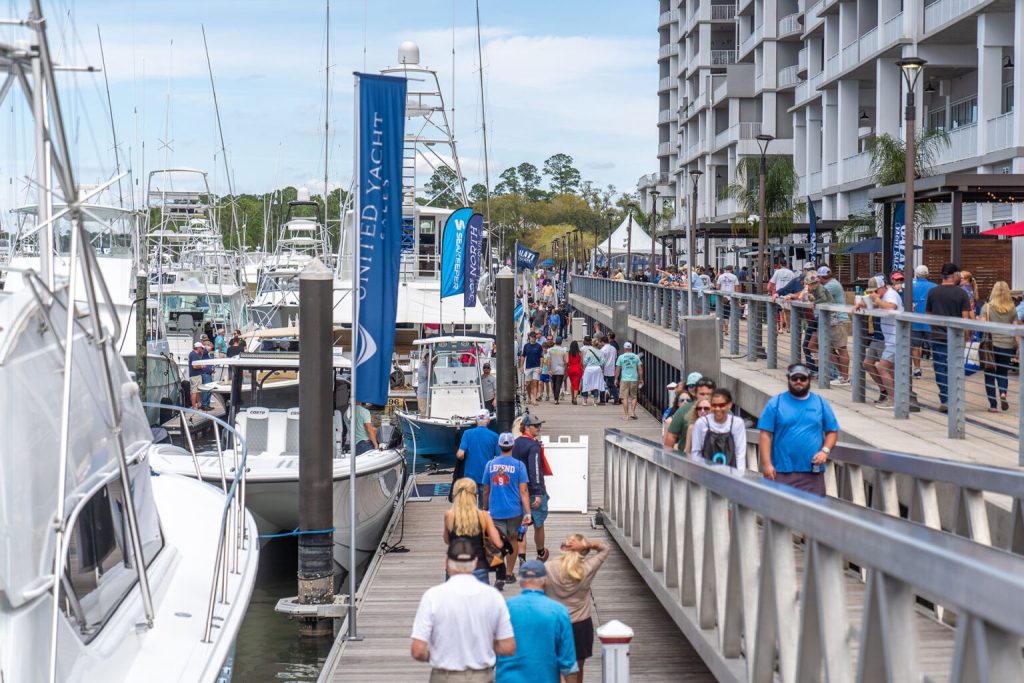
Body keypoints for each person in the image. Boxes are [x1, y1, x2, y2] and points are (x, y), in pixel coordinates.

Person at [411, 537, 516, 680]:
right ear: (475, 562)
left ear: (446, 562)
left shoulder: (432, 597)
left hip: (445, 675)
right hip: (481, 676)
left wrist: (434, 655)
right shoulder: (493, 597)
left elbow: (417, 651)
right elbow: (508, 647)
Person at [757, 363, 840, 496]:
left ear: (809, 379)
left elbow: (832, 431)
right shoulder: (775, 403)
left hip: (813, 472)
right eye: (794, 378)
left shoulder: (821, 403)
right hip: (782, 471)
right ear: (788, 379)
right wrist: (766, 464)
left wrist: (825, 451)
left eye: (803, 378)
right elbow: (765, 434)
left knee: (813, 513)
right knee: (781, 514)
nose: (798, 382)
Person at [496, 561, 577, 683]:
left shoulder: (505, 607)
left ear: (521, 581)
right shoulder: (559, 611)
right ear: (545, 580)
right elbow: (568, 663)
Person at [544, 534, 610, 682]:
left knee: (555, 668)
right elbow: (605, 548)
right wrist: (587, 545)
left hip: (554, 623)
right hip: (580, 625)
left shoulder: (547, 568)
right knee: (577, 671)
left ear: (562, 548)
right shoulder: (587, 568)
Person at [482, 433, 532, 587]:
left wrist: (485, 508)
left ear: (499, 446)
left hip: (496, 511)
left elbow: (486, 490)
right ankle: (509, 573)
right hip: (514, 511)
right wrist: (528, 512)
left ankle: (500, 574)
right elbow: (523, 491)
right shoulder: (518, 465)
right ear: (513, 445)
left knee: (496, 543)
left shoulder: (490, 465)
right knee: (513, 540)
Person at [925, 263, 972, 413]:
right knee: (956, 368)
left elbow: (929, 315)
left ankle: (945, 398)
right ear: (954, 276)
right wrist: (966, 337)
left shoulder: (932, 292)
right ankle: (955, 398)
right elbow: (965, 319)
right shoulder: (961, 294)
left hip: (938, 336)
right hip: (956, 337)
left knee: (940, 368)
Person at [854, 276, 903, 409]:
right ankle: (886, 392)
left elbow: (891, 307)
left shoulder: (891, 294)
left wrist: (876, 299)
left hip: (896, 337)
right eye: (870, 292)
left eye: (874, 291)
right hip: (888, 338)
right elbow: (877, 305)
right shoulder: (883, 296)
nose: (872, 294)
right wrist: (862, 304)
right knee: (868, 363)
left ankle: (893, 399)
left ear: (882, 287)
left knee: (883, 367)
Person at [444, 478, 505, 585]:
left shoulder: (449, 515)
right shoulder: (483, 516)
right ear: (474, 494)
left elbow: (447, 540)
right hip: (478, 565)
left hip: (454, 565)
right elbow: (498, 543)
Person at [511, 415, 551, 563]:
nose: (539, 428)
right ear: (527, 427)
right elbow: (534, 470)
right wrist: (538, 493)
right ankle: (541, 553)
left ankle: (522, 558)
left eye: (539, 425)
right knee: (538, 524)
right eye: (536, 425)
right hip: (532, 492)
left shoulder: (515, 443)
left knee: (522, 525)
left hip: (518, 491)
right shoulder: (534, 445)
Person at [980, 281, 1020, 412]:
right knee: (1002, 372)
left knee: (989, 373)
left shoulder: (987, 307)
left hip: (991, 345)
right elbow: (1015, 329)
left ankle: (993, 405)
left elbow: (982, 326)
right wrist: (1019, 346)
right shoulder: (1012, 308)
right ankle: (1003, 393)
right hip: (1008, 345)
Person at [690, 388, 746, 475]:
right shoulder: (701, 423)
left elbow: (740, 453)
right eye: (714, 405)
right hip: (706, 474)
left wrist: (739, 476)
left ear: (729, 405)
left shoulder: (737, 423)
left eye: (721, 405)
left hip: (731, 475)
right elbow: (696, 452)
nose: (717, 409)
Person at [457, 409, 502, 499]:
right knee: (484, 506)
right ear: (489, 421)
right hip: (486, 475)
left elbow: (460, 454)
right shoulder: (495, 436)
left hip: (470, 476)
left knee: (469, 505)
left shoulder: (467, 434)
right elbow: (499, 457)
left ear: (475, 421)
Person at [817, 266, 851, 385]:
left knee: (841, 348)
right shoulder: (830, 284)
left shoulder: (832, 285)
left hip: (839, 320)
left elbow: (817, 295)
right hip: (832, 321)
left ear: (821, 277)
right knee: (830, 349)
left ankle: (845, 377)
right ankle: (842, 376)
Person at [663, 376, 716, 451]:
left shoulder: (724, 413)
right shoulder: (683, 411)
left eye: (708, 394)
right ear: (696, 394)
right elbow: (671, 437)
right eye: (702, 394)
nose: (705, 397)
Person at [911, 265, 937, 378]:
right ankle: (938, 369)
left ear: (916, 274)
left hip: (914, 321)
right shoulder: (935, 287)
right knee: (934, 347)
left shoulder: (909, 286)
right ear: (927, 274)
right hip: (930, 321)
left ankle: (917, 370)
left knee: (915, 346)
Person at [614, 341, 643, 420]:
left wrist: (616, 379)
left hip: (624, 379)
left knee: (625, 397)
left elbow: (617, 369)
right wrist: (641, 379)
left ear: (624, 348)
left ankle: (626, 415)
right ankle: (633, 412)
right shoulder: (636, 357)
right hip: (634, 379)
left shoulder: (621, 357)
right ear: (631, 348)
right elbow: (640, 369)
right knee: (634, 396)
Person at [520, 331, 544, 405]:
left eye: (534, 337)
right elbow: (523, 356)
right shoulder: (526, 346)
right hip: (528, 367)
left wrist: (541, 367)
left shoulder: (539, 346)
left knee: (535, 383)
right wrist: (521, 366)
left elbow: (542, 357)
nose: (533, 338)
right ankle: (529, 397)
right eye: (532, 337)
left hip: (536, 367)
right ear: (529, 337)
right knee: (528, 384)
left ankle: (534, 399)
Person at [580, 338, 605, 406]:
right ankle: (595, 401)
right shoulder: (601, 352)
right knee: (596, 384)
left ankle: (585, 401)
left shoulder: (589, 351)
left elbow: (585, 361)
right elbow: (603, 362)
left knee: (586, 384)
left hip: (589, 369)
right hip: (597, 369)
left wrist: (585, 366)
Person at [546, 337, 568, 404]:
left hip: (552, 369)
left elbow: (548, 361)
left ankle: (555, 396)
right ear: (561, 342)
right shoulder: (563, 350)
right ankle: (556, 399)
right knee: (559, 384)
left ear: (555, 342)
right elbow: (566, 361)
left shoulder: (550, 350)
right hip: (560, 369)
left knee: (554, 383)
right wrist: (565, 368)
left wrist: (549, 369)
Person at [598, 336, 618, 405]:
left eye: (601, 342)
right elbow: (615, 358)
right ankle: (616, 399)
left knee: (602, 384)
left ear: (603, 342)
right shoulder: (613, 348)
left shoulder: (602, 350)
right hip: (612, 369)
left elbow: (601, 361)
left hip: (604, 369)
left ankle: (602, 400)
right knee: (612, 385)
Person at [187, 341, 206, 410]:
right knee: (194, 391)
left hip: (194, 375)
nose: (202, 349)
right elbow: (194, 366)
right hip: (195, 375)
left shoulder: (192, 354)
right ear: (198, 348)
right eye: (201, 348)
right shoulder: (194, 355)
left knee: (197, 391)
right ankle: (194, 406)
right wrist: (202, 366)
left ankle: (198, 404)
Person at [565, 340, 583, 405]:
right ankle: (575, 397)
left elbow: (567, 361)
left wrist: (567, 367)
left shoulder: (568, 352)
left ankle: (572, 397)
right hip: (578, 369)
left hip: (571, 369)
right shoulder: (580, 353)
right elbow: (581, 362)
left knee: (572, 384)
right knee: (577, 384)